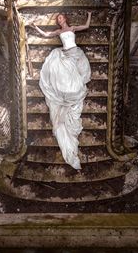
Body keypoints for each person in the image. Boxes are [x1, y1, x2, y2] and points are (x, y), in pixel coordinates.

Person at [30, 12, 92, 170]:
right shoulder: (58, 32)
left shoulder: (72, 28)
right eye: (58, 19)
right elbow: (46, 34)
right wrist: (34, 26)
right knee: (59, 72)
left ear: (65, 19)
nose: (60, 20)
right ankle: (64, 93)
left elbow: (86, 26)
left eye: (61, 18)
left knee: (77, 77)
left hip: (74, 53)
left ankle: (70, 91)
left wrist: (89, 15)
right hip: (65, 53)